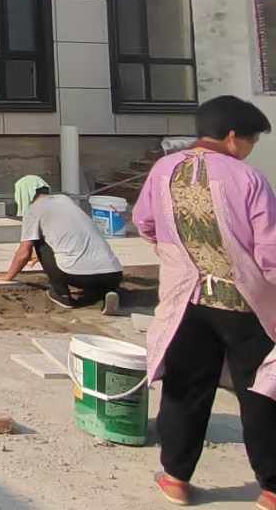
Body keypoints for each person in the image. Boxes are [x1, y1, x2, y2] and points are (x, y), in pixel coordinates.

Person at [134, 95, 276, 508]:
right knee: (261, 392)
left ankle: (176, 479)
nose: (250, 148)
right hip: (245, 306)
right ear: (232, 137)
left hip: (187, 301)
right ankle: (271, 488)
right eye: (250, 140)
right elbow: (270, 251)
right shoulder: (248, 178)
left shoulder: (163, 170)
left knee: (185, 387)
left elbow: (144, 223)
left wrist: (179, 258)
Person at [0, 173, 124, 309]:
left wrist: (8, 275)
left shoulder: (33, 210)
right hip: (114, 275)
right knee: (97, 280)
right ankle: (106, 292)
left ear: (22, 194)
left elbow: (24, 253)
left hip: (78, 276)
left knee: (37, 241)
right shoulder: (65, 200)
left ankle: (61, 294)